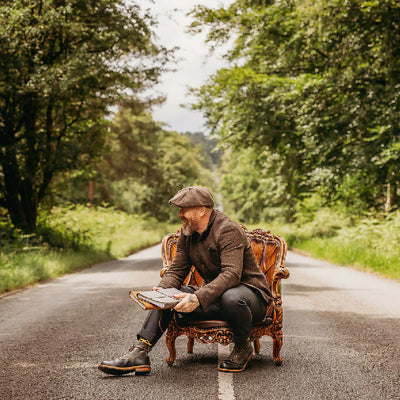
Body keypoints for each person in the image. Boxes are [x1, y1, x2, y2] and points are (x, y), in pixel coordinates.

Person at [98, 186, 272, 375]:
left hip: (250, 298)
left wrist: (197, 298)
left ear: (202, 210)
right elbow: (176, 271)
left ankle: (242, 348)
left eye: (184, 209)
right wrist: (161, 292)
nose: (180, 214)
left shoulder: (228, 230)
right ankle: (140, 353)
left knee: (231, 297)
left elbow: (231, 274)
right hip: (215, 297)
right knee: (169, 295)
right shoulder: (187, 234)